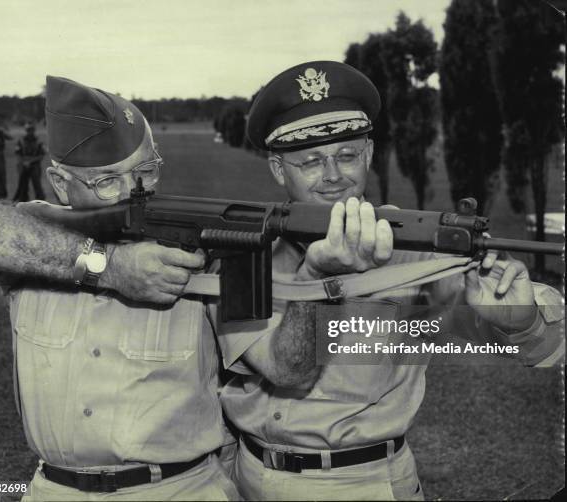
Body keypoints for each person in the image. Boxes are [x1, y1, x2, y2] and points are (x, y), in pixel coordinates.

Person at [215, 61, 564, 500]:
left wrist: (522, 319)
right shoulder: (246, 251)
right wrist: (323, 276)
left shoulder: (416, 244)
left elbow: (547, 344)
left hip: (366, 483)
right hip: (251, 481)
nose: (333, 176)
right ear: (278, 169)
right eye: (310, 162)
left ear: (370, 155)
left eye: (346, 156)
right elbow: (285, 369)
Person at [0, 76, 239, 501]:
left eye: (145, 170)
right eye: (107, 180)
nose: (133, 192)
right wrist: (108, 266)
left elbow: (275, 376)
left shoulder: (197, 243)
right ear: (59, 183)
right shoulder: (35, 239)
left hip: (180, 490)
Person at [12, 122, 46, 202]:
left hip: (35, 164)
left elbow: (41, 155)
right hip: (23, 164)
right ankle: (22, 199)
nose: (29, 132)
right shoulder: (21, 141)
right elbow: (17, 153)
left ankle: (40, 200)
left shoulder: (39, 141)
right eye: (28, 130)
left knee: (36, 183)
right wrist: (23, 162)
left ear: (34, 131)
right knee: (23, 183)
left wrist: (30, 162)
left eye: (31, 130)